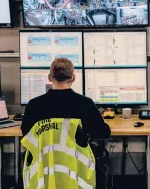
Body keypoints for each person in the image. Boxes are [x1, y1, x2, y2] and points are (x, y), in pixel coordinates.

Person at [21, 58, 111, 188]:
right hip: (77, 172)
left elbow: (26, 134)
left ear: (49, 78)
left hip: (43, 173)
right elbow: (103, 132)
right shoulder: (85, 104)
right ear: (73, 78)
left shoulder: (34, 105)